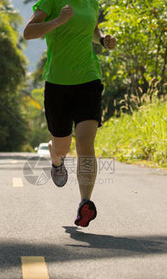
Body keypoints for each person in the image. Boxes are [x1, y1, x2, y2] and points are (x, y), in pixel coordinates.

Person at [23, 0, 117, 227]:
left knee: (85, 142)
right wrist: (58, 21)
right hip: (58, 83)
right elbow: (28, 32)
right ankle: (56, 161)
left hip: (89, 79)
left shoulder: (91, 4)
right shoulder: (52, 2)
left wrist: (103, 40)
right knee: (62, 147)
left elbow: (92, 30)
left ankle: (85, 202)